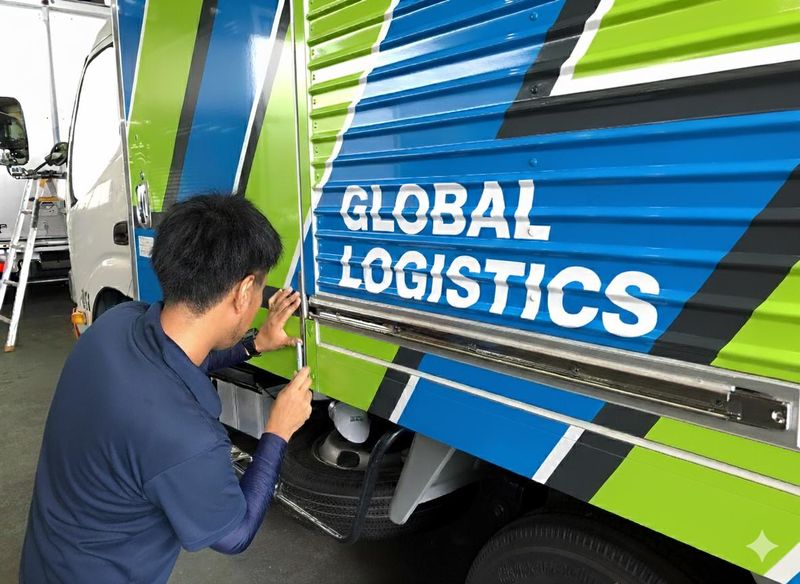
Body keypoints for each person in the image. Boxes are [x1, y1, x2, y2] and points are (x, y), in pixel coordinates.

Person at [20, 194, 312, 583]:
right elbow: (235, 534)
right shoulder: (186, 436)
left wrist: (254, 344)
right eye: (260, 289)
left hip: (46, 562)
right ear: (243, 292)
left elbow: (181, 359)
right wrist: (278, 431)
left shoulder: (117, 323)